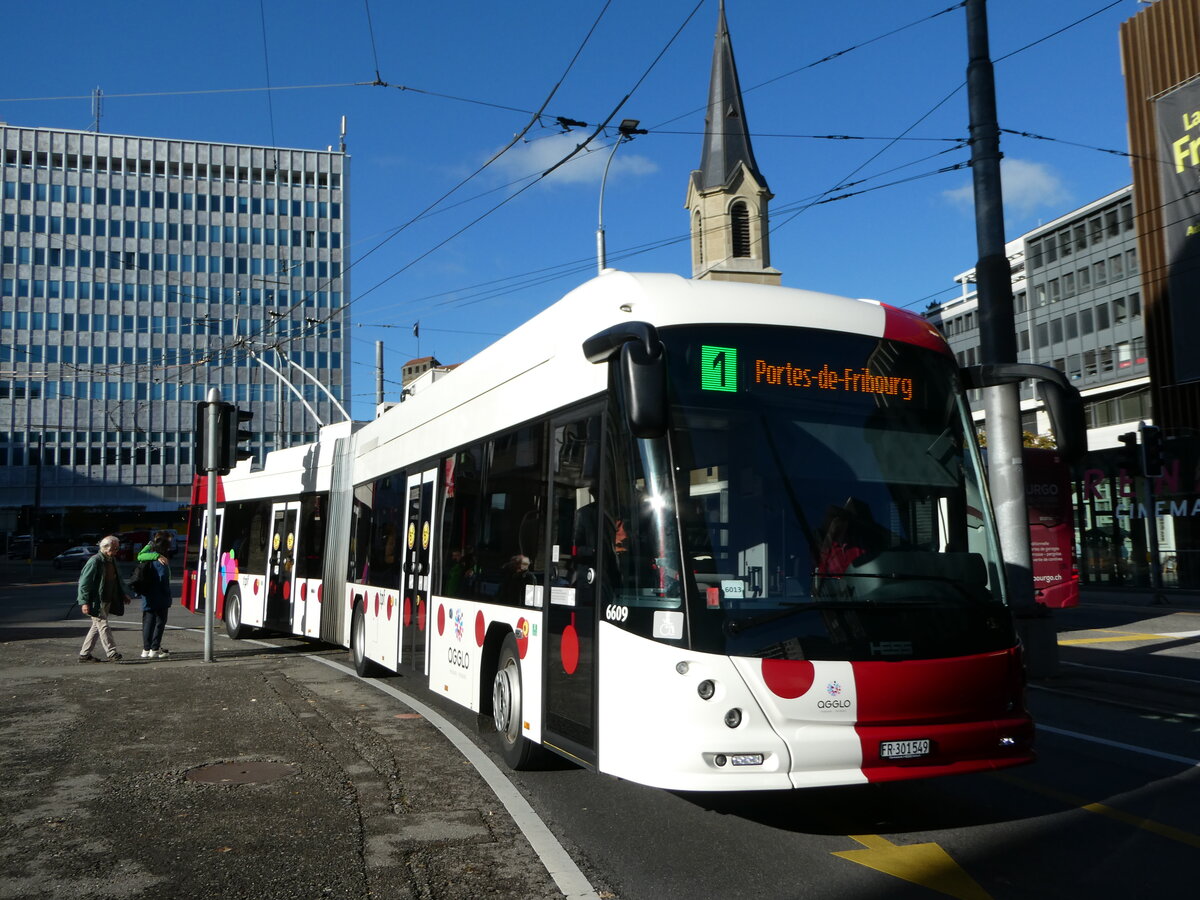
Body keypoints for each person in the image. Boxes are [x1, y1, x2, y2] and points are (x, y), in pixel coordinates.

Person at [77, 534, 138, 663]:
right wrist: (84, 602)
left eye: (117, 548)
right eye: (114, 548)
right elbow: (84, 583)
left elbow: (117, 579)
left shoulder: (111, 560)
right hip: (96, 601)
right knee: (103, 625)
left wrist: (123, 594)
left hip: (107, 599)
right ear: (104, 548)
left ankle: (84, 654)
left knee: (96, 626)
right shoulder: (95, 561)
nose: (116, 551)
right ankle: (112, 653)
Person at [136, 531, 174, 659]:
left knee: (147, 622)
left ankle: (145, 650)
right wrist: (168, 595)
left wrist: (149, 545)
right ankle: (155, 649)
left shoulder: (147, 556)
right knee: (160, 623)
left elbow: (139, 556)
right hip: (160, 596)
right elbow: (164, 578)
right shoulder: (162, 559)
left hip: (147, 595)